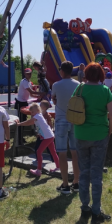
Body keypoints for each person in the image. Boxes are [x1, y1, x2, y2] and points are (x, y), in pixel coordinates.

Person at [74, 62, 112, 223]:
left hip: (81, 134)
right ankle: (96, 210)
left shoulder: (79, 89)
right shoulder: (105, 91)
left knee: (84, 172)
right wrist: (109, 131)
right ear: (101, 76)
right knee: (96, 173)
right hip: (100, 135)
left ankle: (85, 207)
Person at [51, 61, 80, 195]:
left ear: (62, 71)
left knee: (62, 153)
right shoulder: (78, 85)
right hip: (74, 119)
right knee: (75, 153)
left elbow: (54, 99)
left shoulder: (56, 85)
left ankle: (65, 184)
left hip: (61, 119)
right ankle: (76, 181)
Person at [15, 103, 60, 177]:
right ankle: (58, 167)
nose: (31, 114)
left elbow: (29, 122)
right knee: (53, 152)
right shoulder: (39, 116)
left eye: (32, 112)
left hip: (48, 137)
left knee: (39, 151)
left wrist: (19, 124)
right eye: (31, 112)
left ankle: (39, 170)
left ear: (37, 110)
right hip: (49, 136)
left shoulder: (38, 116)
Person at [15, 68, 39, 142]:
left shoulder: (28, 82)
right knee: (21, 121)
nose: (29, 75)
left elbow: (31, 93)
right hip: (20, 102)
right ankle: (19, 138)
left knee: (24, 120)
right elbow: (31, 92)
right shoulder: (24, 82)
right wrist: (41, 94)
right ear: (24, 74)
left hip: (24, 102)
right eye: (27, 73)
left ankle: (20, 137)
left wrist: (37, 91)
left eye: (30, 73)